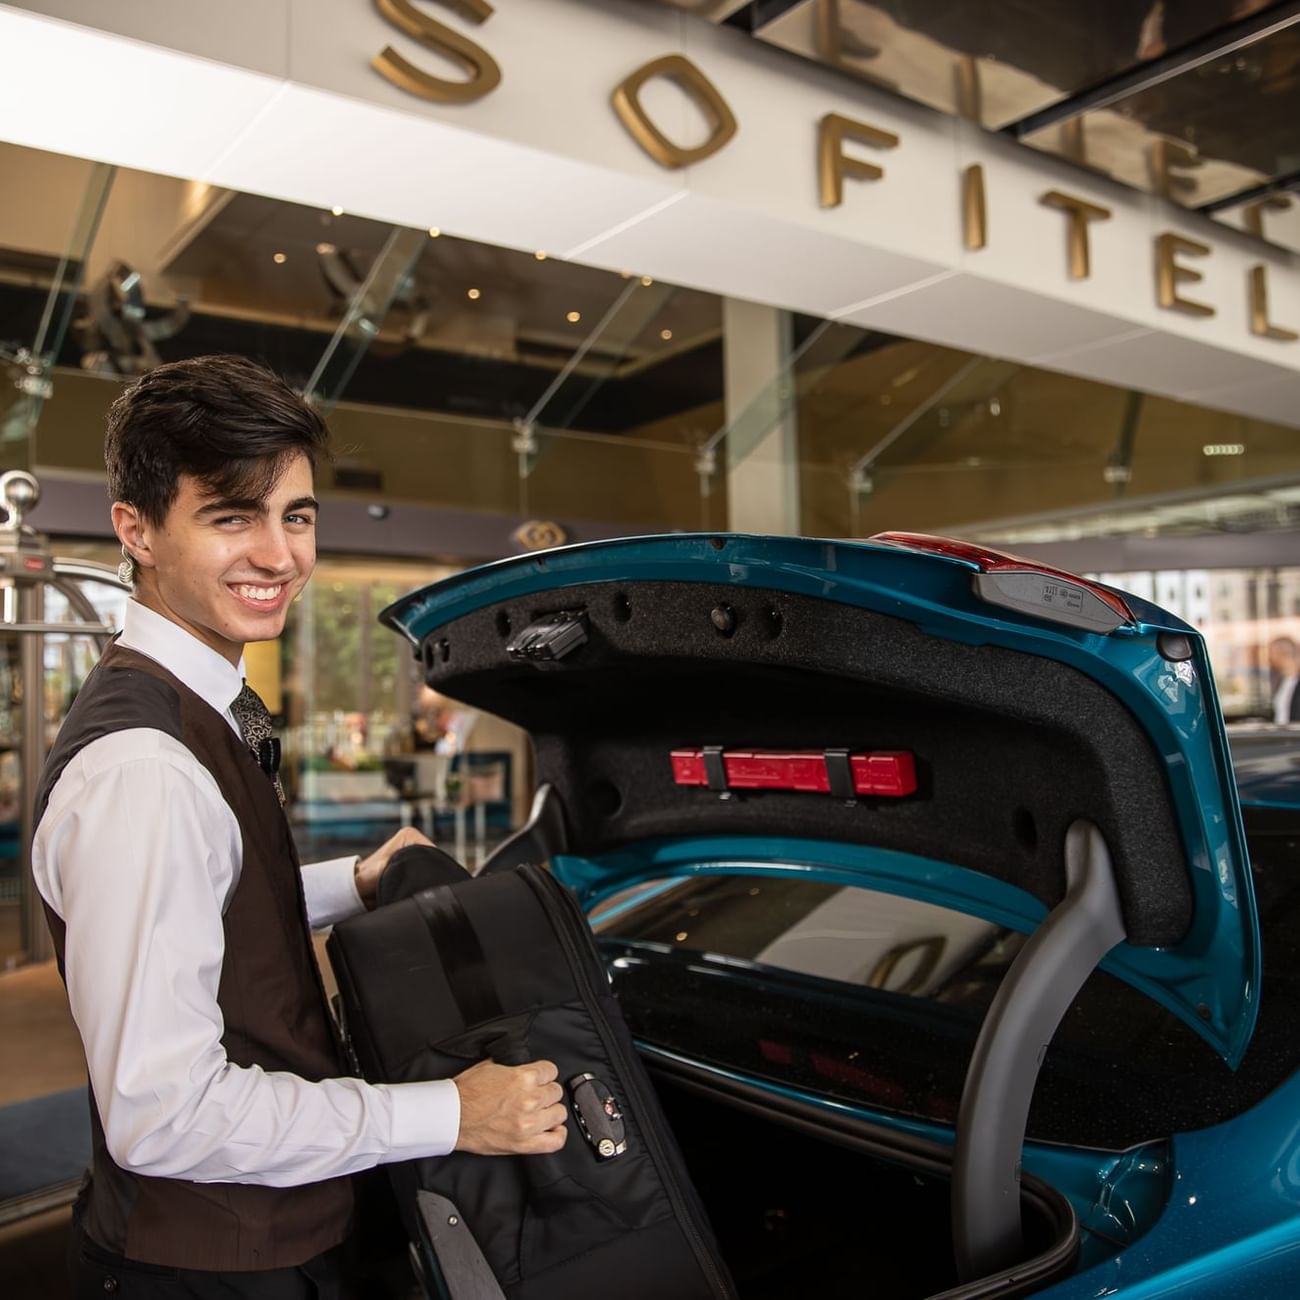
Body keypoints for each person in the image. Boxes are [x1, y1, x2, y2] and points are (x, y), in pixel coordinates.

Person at [31, 355, 567, 1299]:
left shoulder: (192, 707)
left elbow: (212, 892)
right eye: (232, 516)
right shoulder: (145, 770)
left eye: (297, 515)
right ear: (137, 529)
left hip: (272, 1236)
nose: (280, 556)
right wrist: (450, 1113)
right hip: (206, 1267)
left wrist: (351, 879)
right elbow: (164, 1117)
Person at [1268, 635, 1300, 724]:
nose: (1269, 658)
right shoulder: (1282, 681)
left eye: (1271, 653)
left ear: (1282, 653)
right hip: (1282, 736)